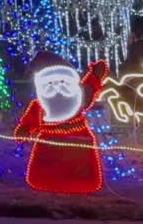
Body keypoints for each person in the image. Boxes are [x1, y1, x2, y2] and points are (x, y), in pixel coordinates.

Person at [14, 52, 109, 194]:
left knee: (79, 169)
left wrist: (95, 74)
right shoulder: (38, 105)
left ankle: (81, 183)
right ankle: (47, 182)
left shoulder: (79, 98)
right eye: (50, 83)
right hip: (48, 143)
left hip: (78, 141)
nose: (57, 87)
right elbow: (29, 121)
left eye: (63, 82)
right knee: (47, 169)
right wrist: (24, 130)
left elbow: (91, 86)